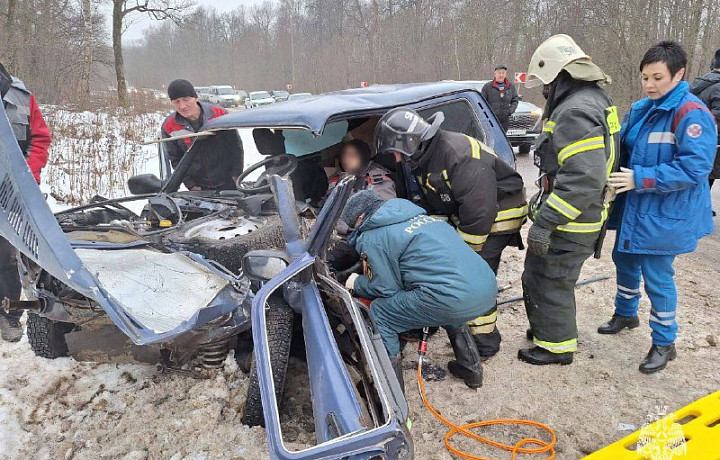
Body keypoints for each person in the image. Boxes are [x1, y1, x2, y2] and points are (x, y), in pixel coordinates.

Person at [600, 41, 716, 374]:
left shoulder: (692, 113)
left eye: (657, 77)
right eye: (645, 77)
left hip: (666, 213)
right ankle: (626, 313)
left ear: (678, 74)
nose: (650, 84)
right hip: (635, 207)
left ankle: (665, 342)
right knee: (623, 258)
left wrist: (641, 179)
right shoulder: (640, 108)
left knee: (657, 277)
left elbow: (695, 168)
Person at [374, 107, 527, 360]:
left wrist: (462, 255)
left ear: (411, 144)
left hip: (498, 215)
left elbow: (479, 212)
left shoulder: (458, 153)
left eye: (397, 153)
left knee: (473, 277)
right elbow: (436, 205)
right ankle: (449, 320)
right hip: (469, 215)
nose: (398, 161)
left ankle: (485, 343)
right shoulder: (427, 156)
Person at [519, 34, 618, 365]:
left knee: (549, 279)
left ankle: (555, 347)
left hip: (572, 222)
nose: (545, 91)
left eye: (546, 83)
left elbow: (584, 178)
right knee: (548, 277)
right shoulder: (595, 99)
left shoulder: (575, 111)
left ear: (560, 75)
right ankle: (548, 330)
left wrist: (545, 222)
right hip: (584, 216)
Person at [342, 190, 497, 389]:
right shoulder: (422, 218)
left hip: (453, 299)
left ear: (361, 217)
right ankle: (471, 370)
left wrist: (355, 282)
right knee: (447, 297)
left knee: (381, 312)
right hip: (485, 288)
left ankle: (391, 392)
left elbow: (385, 289)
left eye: (353, 225)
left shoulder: (373, 237)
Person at [0, 62, 51, 342]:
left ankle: (8, 316)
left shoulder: (21, 96)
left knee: (6, 258)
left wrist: (27, 175)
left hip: (12, 193)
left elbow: (40, 139)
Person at [161, 79, 243, 191]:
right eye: (177, 102)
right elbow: (176, 160)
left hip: (229, 183)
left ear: (195, 97)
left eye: (186, 100)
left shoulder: (219, 114)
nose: (182, 106)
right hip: (199, 190)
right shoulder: (169, 127)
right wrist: (190, 184)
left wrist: (236, 175)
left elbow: (236, 147)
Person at [690, 48, 720, 214]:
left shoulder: (699, 83)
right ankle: (700, 208)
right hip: (712, 139)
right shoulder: (718, 87)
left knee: (703, 173)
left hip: (696, 135)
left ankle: (701, 206)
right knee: (707, 173)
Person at [481, 65, 519, 131]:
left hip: (505, 119)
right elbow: (482, 102)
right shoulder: (487, 87)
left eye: (503, 73)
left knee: (503, 138)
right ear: (495, 74)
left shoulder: (510, 86)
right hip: (491, 119)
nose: (501, 75)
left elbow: (515, 100)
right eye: (499, 73)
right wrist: (487, 113)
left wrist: (510, 111)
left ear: (505, 74)